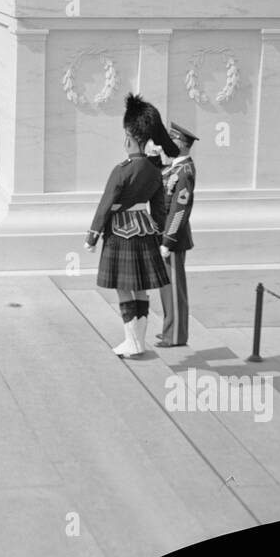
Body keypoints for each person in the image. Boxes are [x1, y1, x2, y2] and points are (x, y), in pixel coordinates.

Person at [84, 94, 179, 359]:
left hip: (120, 232)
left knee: (123, 287)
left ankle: (131, 341)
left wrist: (92, 237)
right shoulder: (153, 170)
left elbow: (106, 204)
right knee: (142, 288)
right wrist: (162, 239)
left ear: (129, 137)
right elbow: (159, 208)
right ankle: (139, 342)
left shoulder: (121, 170)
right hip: (146, 232)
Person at [157, 121, 197, 347]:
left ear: (180, 144)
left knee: (173, 289)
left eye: (171, 141)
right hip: (166, 235)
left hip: (173, 238)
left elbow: (180, 208)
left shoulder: (185, 171)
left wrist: (168, 240)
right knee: (166, 287)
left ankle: (175, 335)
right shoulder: (174, 168)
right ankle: (169, 328)